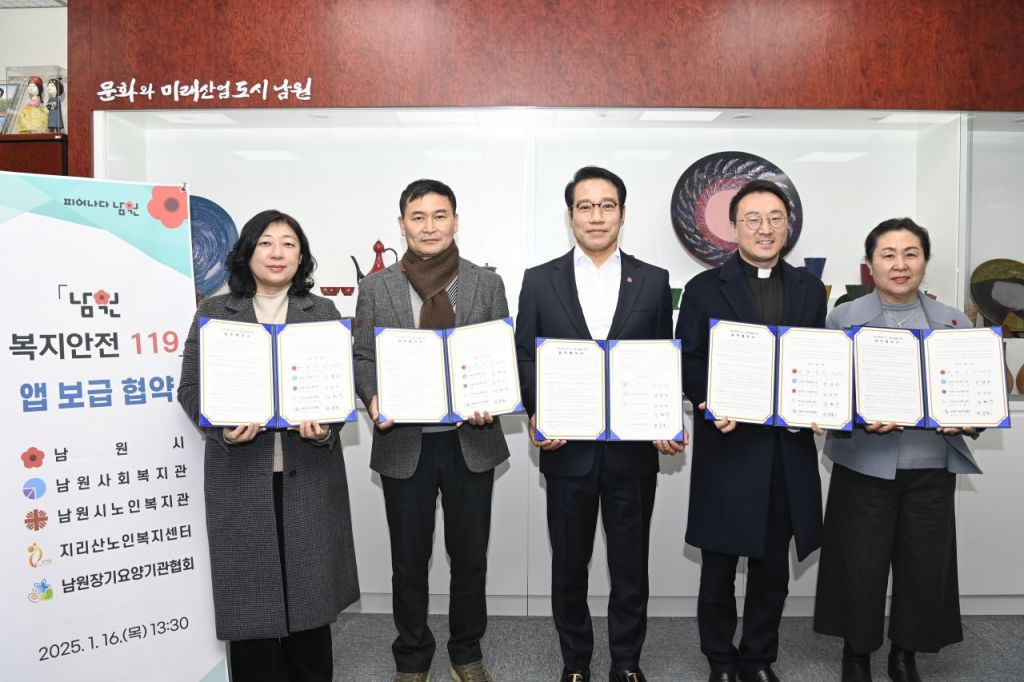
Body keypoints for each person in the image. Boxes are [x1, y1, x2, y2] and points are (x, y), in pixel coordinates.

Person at [515, 166, 684, 682]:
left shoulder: (653, 280)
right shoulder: (539, 279)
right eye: (585, 206)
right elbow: (525, 356)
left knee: (630, 567)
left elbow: (662, 359)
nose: (596, 216)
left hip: (632, 453)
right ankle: (575, 663)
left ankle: (627, 663)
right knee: (569, 567)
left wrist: (666, 419)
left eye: (607, 205)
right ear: (570, 216)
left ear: (623, 214)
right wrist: (536, 411)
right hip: (567, 449)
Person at [178, 210, 360, 682]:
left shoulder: (322, 313)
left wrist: (325, 429)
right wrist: (221, 430)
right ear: (247, 252)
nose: (277, 253)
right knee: (251, 600)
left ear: (302, 256)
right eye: (266, 243)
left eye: (288, 244)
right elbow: (190, 387)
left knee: (310, 597)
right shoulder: (214, 313)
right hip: (240, 475)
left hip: (309, 474)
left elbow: (338, 390)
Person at [353, 179, 510, 682]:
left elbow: (500, 357)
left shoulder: (486, 284)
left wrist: (493, 401)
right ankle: (412, 656)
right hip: (404, 445)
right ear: (401, 225)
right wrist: (372, 398)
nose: (429, 226)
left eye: (439, 216)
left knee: (470, 559)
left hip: (471, 444)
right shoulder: (375, 288)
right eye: (417, 217)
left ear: (455, 222)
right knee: (408, 561)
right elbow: (362, 356)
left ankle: (466, 652)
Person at [813, 218, 982, 682]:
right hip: (863, 465)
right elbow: (827, 390)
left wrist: (972, 417)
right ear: (869, 264)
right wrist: (851, 414)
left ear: (925, 261)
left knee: (923, 565)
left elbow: (975, 393)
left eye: (911, 253)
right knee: (858, 565)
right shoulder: (843, 318)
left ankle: (904, 654)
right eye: (888, 255)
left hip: (931, 465)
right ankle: (857, 653)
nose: (900, 264)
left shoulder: (954, 320)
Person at [676, 179, 826, 682]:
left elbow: (817, 358)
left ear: (788, 226)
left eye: (775, 218)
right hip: (728, 446)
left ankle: (758, 658)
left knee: (772, 568)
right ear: (734, 226)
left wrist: (820, 401)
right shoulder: (703, 289)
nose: (765, 229)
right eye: (753, 219)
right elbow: (689, 360)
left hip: (786, 451)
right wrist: (708, 399)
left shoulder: (810, 290)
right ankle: (720, 660)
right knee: (718, 567)